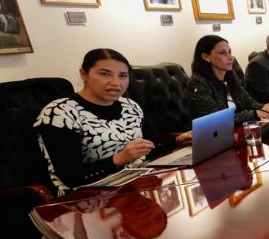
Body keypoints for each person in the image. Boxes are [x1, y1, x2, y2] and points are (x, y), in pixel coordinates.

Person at [34, 49, 191, 196]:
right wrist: (118, 159)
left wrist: (176, 141)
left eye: (123, 75)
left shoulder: (130, 106)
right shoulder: (60, 114)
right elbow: (71, 177)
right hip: (86, 196)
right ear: (83, 74)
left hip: (136, 183)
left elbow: (143, 149)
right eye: (105, 74)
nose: (116, 82)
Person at [187, 35, 269, 125]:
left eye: (229, 52)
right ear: (206, 57)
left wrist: (265, 107)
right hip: (213, 136)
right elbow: (217, 119)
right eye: (222, 53)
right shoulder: (198, 84)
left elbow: (249, 102)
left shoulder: (231, 78)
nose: (230, 57)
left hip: (237, 130)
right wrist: (255, 113)